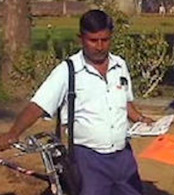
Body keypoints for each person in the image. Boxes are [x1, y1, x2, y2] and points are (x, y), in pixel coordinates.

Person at [0, 10, 153, 195]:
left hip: (123, 157)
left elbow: (125, 101)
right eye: (93, 40)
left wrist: (140, 118)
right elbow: (38, 105)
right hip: (88, 159)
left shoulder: (119, 66)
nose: (99, 46)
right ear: (81, 38)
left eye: (105, 40)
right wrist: (13, 133)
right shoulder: (68, 71)